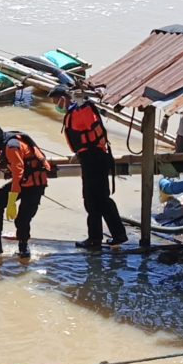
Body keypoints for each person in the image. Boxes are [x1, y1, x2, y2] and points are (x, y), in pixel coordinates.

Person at [59, 87, 127, 249]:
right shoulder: (79, 110)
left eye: (56, 101)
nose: (56, 105)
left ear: (64, 98)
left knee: (94, 200)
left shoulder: (82, 110)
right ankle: (112, 235)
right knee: (99, 199)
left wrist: (81, 102)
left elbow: (89, 127)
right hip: (93, 156)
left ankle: (97, 238)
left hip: (94, 159)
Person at [0, 120, 50, 258]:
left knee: (22, 219)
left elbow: (18, 173)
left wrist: (11, 201)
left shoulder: (11, 146)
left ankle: (23, 248)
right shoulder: (2, 144)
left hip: (35, 184)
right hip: (22, 182)